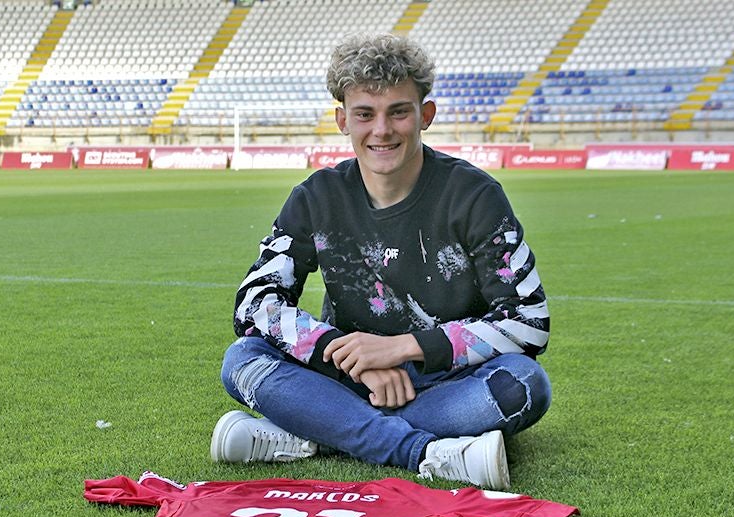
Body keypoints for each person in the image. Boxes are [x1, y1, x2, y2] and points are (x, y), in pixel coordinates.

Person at [212, 33, 551, 490]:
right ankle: (424, 452)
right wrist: (348, 356)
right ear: (342, 120)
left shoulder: (474, 196)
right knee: (242, 359)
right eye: (365, 114)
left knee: (524, 384)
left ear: (425, 115)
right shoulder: (318, 196)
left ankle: (315, 432)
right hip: (346, 377)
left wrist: (404, 347)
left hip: (443, 379)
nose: (382, 130)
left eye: (398, 111)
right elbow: (254, 303)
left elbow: (529, 321)